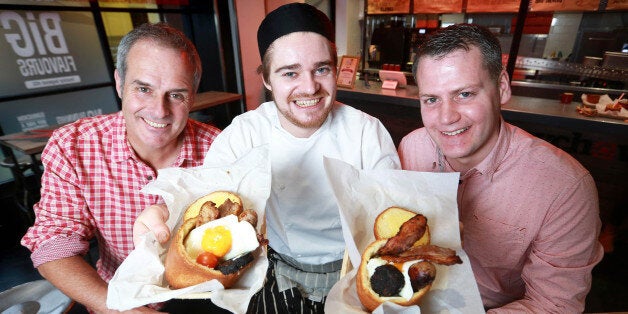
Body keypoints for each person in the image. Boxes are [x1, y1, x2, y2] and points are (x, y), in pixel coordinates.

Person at [134, 3, 400, 313]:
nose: (309, 87)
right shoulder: (244, 133)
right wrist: (164, 210)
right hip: (274, 269)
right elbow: (206, 197)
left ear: (336, 68)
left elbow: (389, 216)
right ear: (268, 80)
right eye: (290, 72)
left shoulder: (367, 132)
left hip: (352, 272)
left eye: (322, 69)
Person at [397, 23, 604, 313]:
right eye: (431, 99)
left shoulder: (565, 187)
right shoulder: (411, 148)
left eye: (464, 94)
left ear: (502, 87)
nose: (446, 117)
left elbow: (554, 305)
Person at [21, 23, 221, 313]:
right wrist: (120, 309)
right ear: (119, 82)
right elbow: (53, 244)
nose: (159, 110)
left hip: (204, 299)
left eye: (176, 94)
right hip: (113, 298)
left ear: (193, 94)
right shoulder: (74, 146)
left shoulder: (219, 148)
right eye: (143, 89)